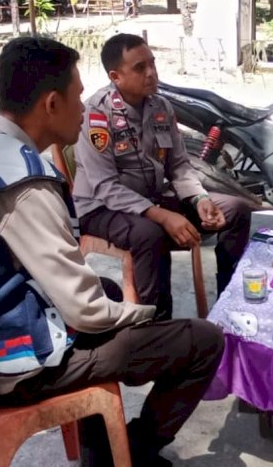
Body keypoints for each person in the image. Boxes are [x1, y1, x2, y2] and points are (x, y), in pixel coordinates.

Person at [0, 37, 224, 467]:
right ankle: (140, 466)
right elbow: (85, 312)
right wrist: (143, 316)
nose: (83, 109)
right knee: (201, 341)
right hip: (8, 363)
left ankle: (101, 455)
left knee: (105, 287)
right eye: (77, 95)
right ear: (50, 103)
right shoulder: (23, 182)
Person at [73, 33, 252, 321]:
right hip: (101, 208)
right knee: (150, 233)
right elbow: (105, 186)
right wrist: (163, 216)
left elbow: (179, 165)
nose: (151, 73)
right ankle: (157, 325)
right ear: (116, 76)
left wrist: (199, 198)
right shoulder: (96, 114)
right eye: (140, 68)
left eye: (152, 64)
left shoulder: (161, 108)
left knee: (235, 209)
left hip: (152, 199)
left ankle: (228, 308)